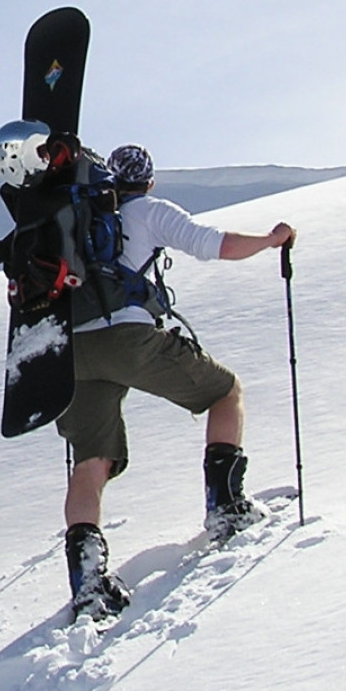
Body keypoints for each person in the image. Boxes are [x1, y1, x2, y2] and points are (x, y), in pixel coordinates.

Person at [61, 143, 296, 620]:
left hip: (74, 352)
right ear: (147, 179)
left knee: (91, 461)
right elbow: (218, 246)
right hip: (128, 337)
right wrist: (274, 239)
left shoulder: (77, 218)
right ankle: (226, 508)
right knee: (224, 392)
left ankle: (88, 583)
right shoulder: (148, 210)